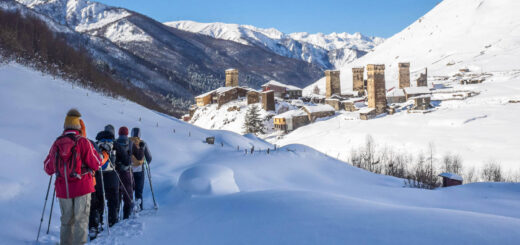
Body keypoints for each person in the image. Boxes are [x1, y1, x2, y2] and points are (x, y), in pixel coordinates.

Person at [43, 109, 101, 245]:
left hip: (63, 190)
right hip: (82, 188)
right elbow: (96, 163)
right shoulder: (83, 142)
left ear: (65, 126)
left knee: (66, 221)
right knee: (81, 221)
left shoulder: (56, 143)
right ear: (78, 126)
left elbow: (47, 168)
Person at [88, 125, 121, 239]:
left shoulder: (96, 143)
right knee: (113, 200)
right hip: (112, 176)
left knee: (97, 201)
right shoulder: (115, 144)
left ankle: (95, 224)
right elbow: (126, 159)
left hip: (98, 176)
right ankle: (113, 221)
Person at [115, 126, 144, 219]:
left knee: (117, 194)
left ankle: (115, 216)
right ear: (127, 133)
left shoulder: (114, 142)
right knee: (128, 195)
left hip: (115, 172)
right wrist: (142, 148)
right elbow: (139, 156)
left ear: (119, 133)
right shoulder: (130, 143)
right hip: (127, 171)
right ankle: (126, 215)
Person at [130, 127, 152, 211]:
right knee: (139, 191)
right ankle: (139, 207)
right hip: (140, 170)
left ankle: (130, 209)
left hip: (129, 171)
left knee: (130, 191)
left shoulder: (129, 142)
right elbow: (149, 158)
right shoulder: (143, 143)